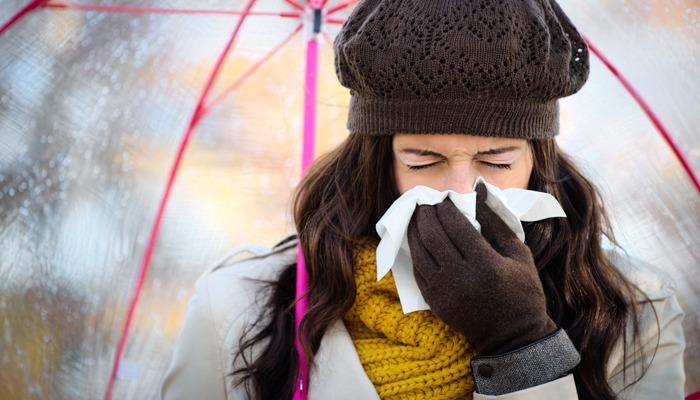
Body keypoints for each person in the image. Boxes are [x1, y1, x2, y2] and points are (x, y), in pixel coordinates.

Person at [160, 0, 686, 399]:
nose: (461, 192)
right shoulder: (236, 307)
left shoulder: (633, 311)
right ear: (377, 162)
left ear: (538, 161)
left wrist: (524, 346)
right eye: (423, 161)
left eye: (497, 162)